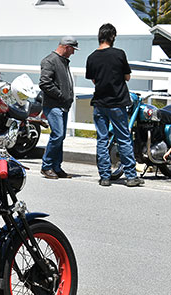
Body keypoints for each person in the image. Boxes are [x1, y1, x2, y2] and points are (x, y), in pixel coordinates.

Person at [86, 23, 144, 187]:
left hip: (99, 103)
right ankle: (131, 177)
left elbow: (94, 80)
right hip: (117, 103)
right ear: (112, 37)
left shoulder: (91, 57)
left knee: (102, 140)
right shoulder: (119, 54)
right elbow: (127, 77)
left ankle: (105, 177)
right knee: (124, 139)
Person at [39, 36, 78, 179]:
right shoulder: (50, 61)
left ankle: (56, 166)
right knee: (58, 135)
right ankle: (47, 166)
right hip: (54, 105)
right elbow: (44, 83)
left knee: (59, 136)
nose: (73, 52)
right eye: (73, 49)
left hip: (61, 105)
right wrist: (61, 95)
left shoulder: (61, 61)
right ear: (67, 47)